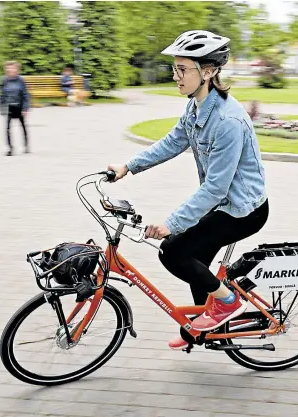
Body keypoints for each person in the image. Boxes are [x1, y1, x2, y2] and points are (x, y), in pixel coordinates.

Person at [107, 30, 269, 350]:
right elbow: (172, 142)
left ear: (207, 72)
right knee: (194, 259)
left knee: (174, 251)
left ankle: (228, 304)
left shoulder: (227, 120)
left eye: (183, 69)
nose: (176, 76)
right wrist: (128, 167)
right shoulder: (196, 107)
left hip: (242, 209)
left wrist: (173, 223)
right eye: (175, 69)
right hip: (221, 202)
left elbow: (215, 187)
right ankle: (207, 326)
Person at [0, 61, 30, 156]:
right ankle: (10, 148)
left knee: (23, 127)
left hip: (19, 107)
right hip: (9, 107)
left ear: (17, 69)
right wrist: (1, 107)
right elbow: (2, 95)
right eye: (9, 68)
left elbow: (25, 95)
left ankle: (26, 146)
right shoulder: (4, 80)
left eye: (13, 68)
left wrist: (25, 108)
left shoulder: (21, 80)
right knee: (7, 128)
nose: (10, 70)